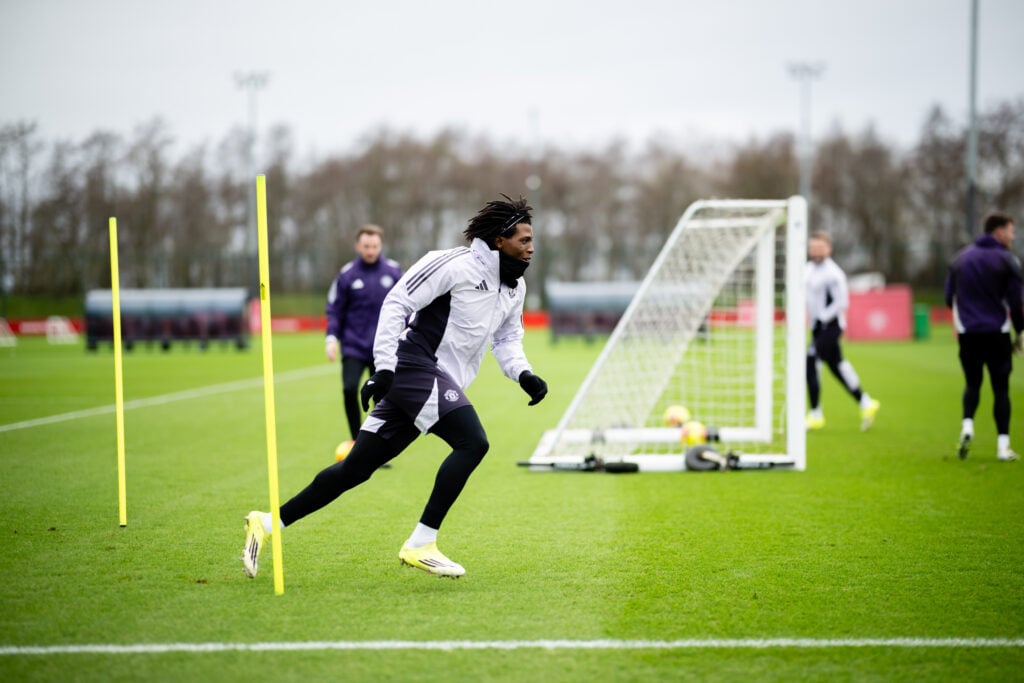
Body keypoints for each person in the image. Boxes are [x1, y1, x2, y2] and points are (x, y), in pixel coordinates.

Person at [243, 194, 548, 579]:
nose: (531, 248)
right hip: (414, 367)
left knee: (354, 469)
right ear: (501, 240)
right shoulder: (453, 264)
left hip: (434, 381)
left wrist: (524, 374)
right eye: (524, 240)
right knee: (473, 442)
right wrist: (385, 367)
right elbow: (397, 302)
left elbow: (507, 340)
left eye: (532, 241)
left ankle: (267, 523)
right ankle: (422, 542)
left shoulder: (513, 288)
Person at [945, 210, 1023, 462]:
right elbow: (1016, 302)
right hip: (996, 332)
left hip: (968, 333)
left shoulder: (959, 259)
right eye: (1011, 231)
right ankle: (1003, 447)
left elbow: (949, 298)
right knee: (1001, 390)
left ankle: (967, 426)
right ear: (999, 231)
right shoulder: (1006, 260)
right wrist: (1020, 331)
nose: (1013, 235)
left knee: (972, 384)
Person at [325, 224, 403, 441]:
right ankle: (355, 441)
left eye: (375, 246)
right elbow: (334, 309)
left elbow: (408, 308)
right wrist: (331, 338)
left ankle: (376, 446)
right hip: (354, 346)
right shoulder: (347, 274)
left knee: (383, 398)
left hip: (385, 348)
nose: (370, 250)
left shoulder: (394, 272)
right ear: (358, 246)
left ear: (381, 246)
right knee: (349, 389)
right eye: (366, 246)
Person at [804, 231, 880, 431]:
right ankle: (865, 402)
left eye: (820, 247)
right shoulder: (807, 270)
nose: (816, 251)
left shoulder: (834, 274)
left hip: (831, 326)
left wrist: (823, 318)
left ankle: (815, 413)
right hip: (816, 327)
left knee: (811, 361)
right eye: (813, 248)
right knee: (837, 366)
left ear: (828, 249)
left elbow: (842, 302)